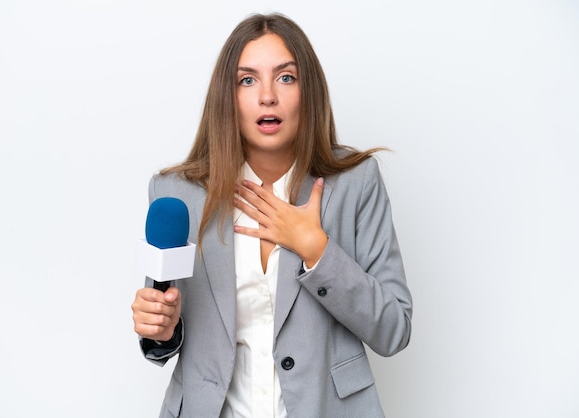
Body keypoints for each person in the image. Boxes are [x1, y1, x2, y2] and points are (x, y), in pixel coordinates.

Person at [131, 12, 413, 418]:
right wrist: (160, 328)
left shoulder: (355, 183)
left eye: (285, 77)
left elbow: (394, 330)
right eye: (247, 80)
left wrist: (317, 250)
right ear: (227, 96)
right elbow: (164, 330)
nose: (267, 96)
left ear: (307, 91)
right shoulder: (178, 194)